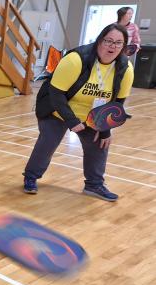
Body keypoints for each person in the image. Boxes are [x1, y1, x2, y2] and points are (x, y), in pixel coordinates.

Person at [23, 24, 134, 202]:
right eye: (108, 41)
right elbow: (56, 93)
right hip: (57, 109)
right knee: (48, 142)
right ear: (99, 41)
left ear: (124, 46)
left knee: (100, 144)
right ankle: (31, 177)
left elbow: (117, 102)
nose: (112, 46)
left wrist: (105, 130)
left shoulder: (125, 69)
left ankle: (94, 185)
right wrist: (71, 121)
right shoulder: (76, 59)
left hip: (93, 114)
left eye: (118, 43)